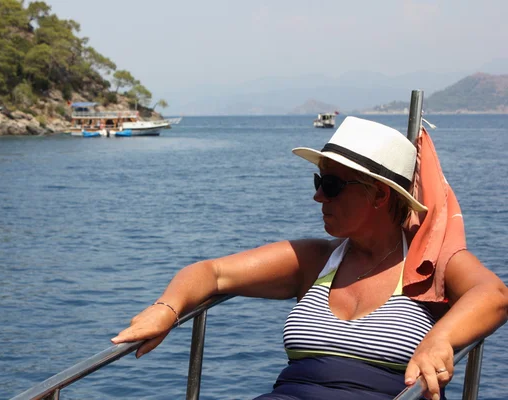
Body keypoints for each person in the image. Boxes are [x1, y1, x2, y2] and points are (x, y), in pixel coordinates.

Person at [111, 117, 508, 400]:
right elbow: (210, 273)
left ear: (379, 195)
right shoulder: (316, 260)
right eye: (319, 182)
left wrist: (438, 340)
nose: (318, 197)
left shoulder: (427, 265)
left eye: (332, 185)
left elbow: (494, 294)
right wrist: (166, 308)